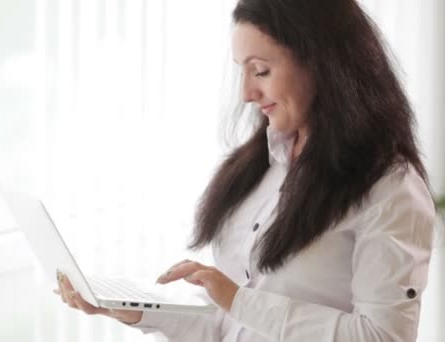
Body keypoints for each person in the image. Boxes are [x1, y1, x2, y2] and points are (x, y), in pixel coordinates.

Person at [54, 0, 437, 340]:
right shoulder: (262, 168)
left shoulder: (391, 189)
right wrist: (139, 312)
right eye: (243, 70)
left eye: (261, 70)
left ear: (324, 63)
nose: (246, 93)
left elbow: (383, 336)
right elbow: (227, 326)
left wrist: (241, 302)